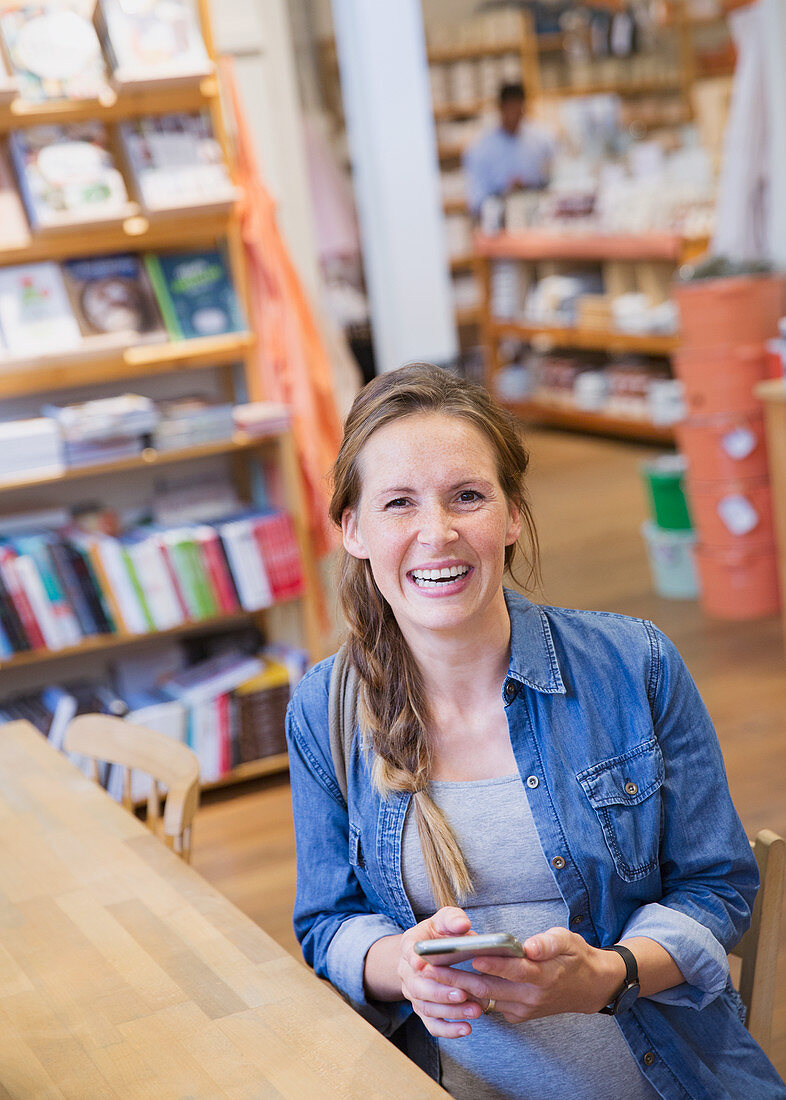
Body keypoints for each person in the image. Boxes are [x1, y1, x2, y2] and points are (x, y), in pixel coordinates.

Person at [286, 363, 786, 1099]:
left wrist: (607, 977)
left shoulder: (634, 665)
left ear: (512, 514)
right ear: (354, 529)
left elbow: (717, 888)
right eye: (398, 503)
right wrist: (402, 964)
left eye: (468, 496)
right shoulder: (324, 710)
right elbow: (328, 922)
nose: (437, 533)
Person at [463, 82, 553, 217]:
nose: (514, 115)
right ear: (500, 108)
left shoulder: (541, 139)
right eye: (510, 108)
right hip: (500, 220)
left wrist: (531, 186)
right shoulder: (480, 148)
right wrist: (505, 194)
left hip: (538, 214)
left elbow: (555, 176)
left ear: (524, 107)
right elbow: (476, 200)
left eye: (518, 109)